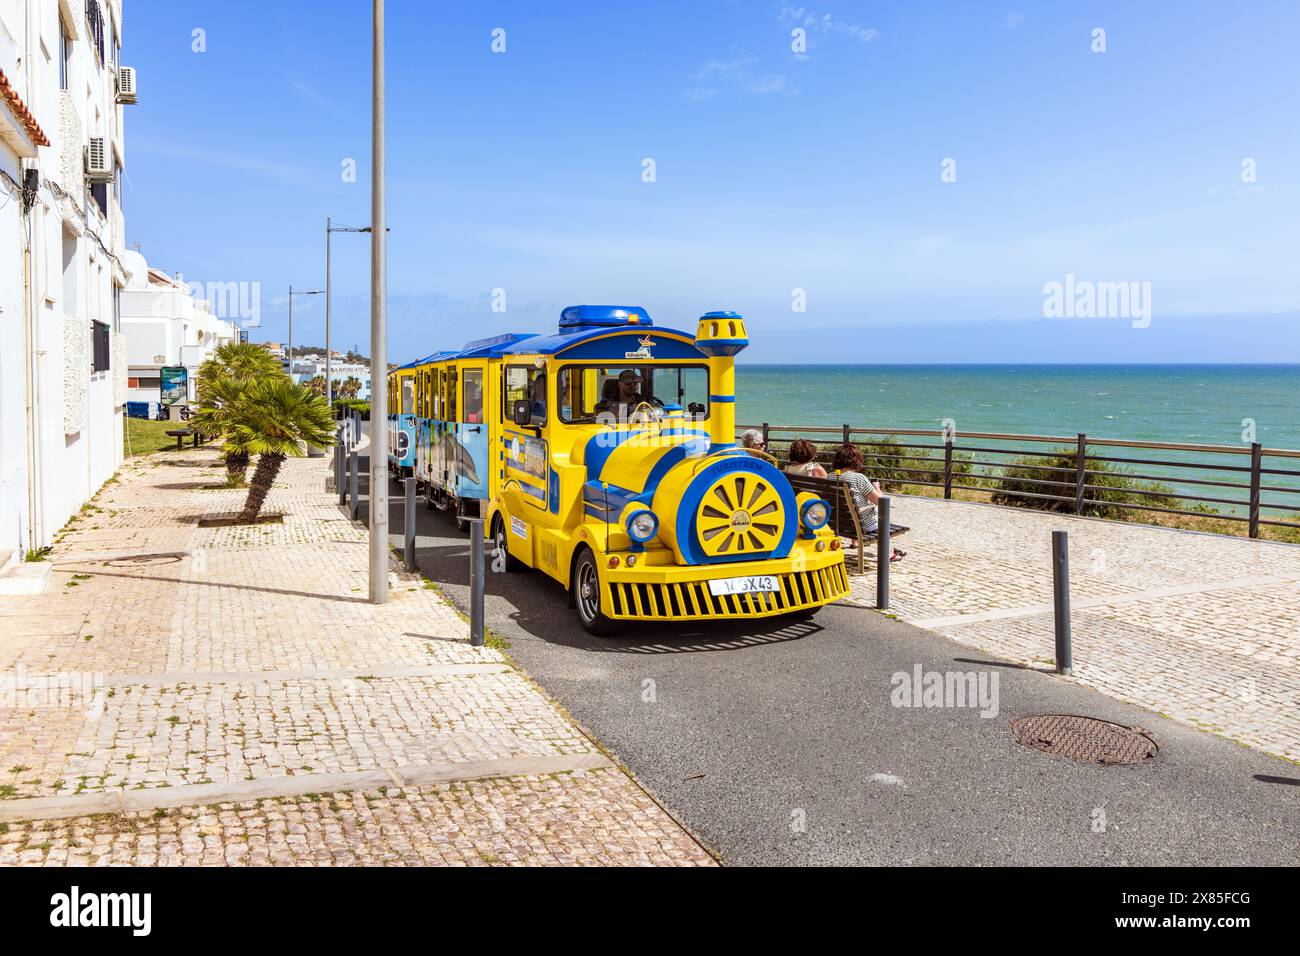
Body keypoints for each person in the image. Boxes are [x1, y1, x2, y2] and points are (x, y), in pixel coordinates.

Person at [832, 443, 907, 561]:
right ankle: (888, 553)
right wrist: (877, 487)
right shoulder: (858, 478)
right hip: (861, 525)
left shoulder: (830, 477)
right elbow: (881, 501)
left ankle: (855, 542)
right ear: (856, 460)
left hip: (839, 523)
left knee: (857, 509)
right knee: (884, 517)